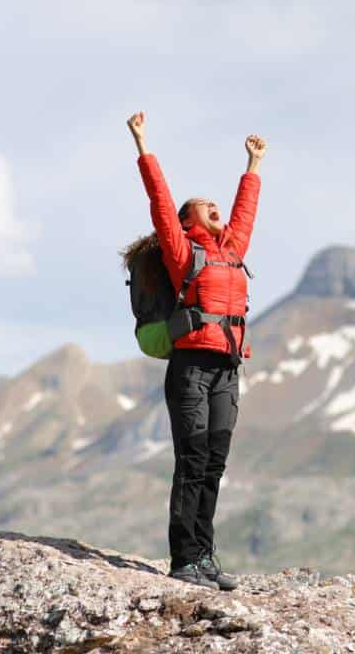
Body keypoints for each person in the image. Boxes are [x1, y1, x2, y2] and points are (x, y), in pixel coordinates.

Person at [124, 111, 265, 590]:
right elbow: (160, 200)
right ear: (185, 223)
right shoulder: (183, 251)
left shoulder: (232, 249)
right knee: (192, 459)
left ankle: (205, 557)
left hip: (227, 368)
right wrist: (143, 145)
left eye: (213, 202)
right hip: (190, 369)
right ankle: (184, 560)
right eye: (202, 204)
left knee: (216, 463)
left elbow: (245, 213)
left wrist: (253, 167)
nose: (213, 204)